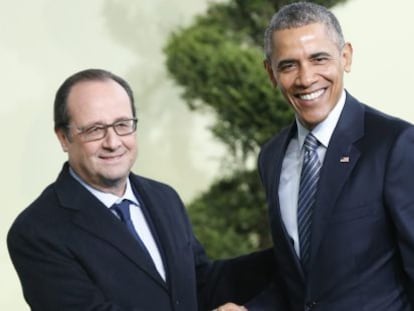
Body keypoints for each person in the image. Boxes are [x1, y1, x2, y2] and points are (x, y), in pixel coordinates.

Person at [7, 69, 275, 311]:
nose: (113, 142)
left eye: (122, 124)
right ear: (64, 138)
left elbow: (200, 284)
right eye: (94, 130)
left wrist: (290, 255)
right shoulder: (37, 232)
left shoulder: (163, 198)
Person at [252, 1, 414, 310]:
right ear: (270, 73)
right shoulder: (271, 157)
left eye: (319, 59)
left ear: (345, 57)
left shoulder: (396, 145)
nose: (306, 78)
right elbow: (302, 281)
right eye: (288, 65)